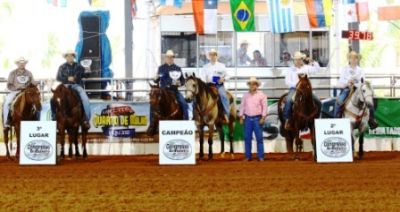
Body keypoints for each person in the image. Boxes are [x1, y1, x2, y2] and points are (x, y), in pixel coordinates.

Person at [334, 51, 378, 129]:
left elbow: (363, 80)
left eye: (355, 58)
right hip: (347, 89)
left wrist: (357, 83)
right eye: (352, 58)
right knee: (339, 102)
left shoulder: (360, 70)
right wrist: (347, 82)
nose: (353, 60)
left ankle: (372, 119)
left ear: (357, 60)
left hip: (359, 89)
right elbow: (340, 81)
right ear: (349, 59)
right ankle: (336, 121)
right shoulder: (345, 69)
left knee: (369, 101)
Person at [52, 50, 91, 128]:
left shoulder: (79, 66)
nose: (70, 57)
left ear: (74, 57)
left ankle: (86, 119)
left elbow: (86, 75)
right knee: (53, 99)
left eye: (71, 56)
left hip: (76, 86)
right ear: (65, 58)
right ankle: (54, 117)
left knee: (85, 99)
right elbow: (58, 77)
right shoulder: (62, 67)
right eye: (68, 56)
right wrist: (67, 78)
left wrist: (88, 70)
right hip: (65, 86)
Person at [284, 51, 321, 130]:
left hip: (306, 90)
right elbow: (287, 81)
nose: (298, 61)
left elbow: (317, 69)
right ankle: (288, 119)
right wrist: (297, 85)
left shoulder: (307, 67)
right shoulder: (290, 70)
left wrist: (312, 61)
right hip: (295, 89)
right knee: (289, 100)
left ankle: (317, 119)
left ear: (302, 60)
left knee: (318, 102)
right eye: (296, 59)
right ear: (294, 60)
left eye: (300, 59)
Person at [239, 77, 268, 161]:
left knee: (259, 138)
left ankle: (261, 156)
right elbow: (242, 106)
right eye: (250, 84)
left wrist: (263, 117)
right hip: (247, 118)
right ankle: (248, 156)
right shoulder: (245, 95)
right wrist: (241, 117)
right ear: (249, 85)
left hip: (257, 118)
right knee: (247, 138)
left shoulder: (262, 95)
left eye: (254, 84)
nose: (252, 85)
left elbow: (265, 107)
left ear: (257, 85)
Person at [155, 50, 188, 120]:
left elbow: (183, 80)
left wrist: (179, 83)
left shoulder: (178, 68)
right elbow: (156, 81)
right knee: (153, 105)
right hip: (163, 92)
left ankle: (186, 122)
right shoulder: (161, 68)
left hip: (174, 91)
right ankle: (152, 125)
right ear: (165, 58)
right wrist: (156, 78)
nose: (170, 58)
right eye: (168, 57)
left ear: (173, 58)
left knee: (184, 104)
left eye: (171, 57)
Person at [3, 57, 35, 128]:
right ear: (17, 64)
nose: (22, 64)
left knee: (36, 103)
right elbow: (9, 85)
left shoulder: (29, 73)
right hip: (15, 91)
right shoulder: (12, 73)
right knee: (7, 103)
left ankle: (36, 119)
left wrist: (39, 83)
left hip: (27, 92)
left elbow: (33, 83)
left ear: (25, 64)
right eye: (20, 63)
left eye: (23, 63)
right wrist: (16, 88)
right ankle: (7, 121)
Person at [200, 49, 230, 122]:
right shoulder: (205, 67)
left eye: (214, 55)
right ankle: (197, 115)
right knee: (198, 96)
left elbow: (228, 76)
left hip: (218, 85)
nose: (213, 56)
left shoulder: (222, 66)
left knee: (223, 96)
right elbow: (202, 77)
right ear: (209, 56)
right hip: (208, 86)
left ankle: (226, 114)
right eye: (211, 55)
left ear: (216, 56)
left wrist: (223, 79)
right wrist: (205, 81)